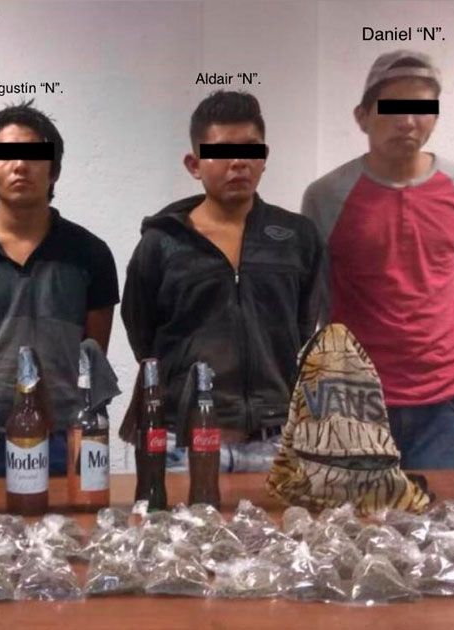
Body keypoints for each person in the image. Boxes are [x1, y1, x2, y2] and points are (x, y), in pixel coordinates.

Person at [301, 50, 454, 469]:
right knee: (350, 514)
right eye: (393, 108)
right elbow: (319, 296)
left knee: (446, 514)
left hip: (442, 401)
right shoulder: (326, 196)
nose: (408, 121)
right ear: (362, 116)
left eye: (422, 109)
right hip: (351, 398)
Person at [121, 90, 321, 473]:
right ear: (194, 164)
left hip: (276, 441)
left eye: (250, 150)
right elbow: (142, 336)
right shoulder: (162, 243)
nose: (238, 162)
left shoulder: (297, 238)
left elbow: (303, 330)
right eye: (221, 152)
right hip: (181, 440)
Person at [0, 100, 119, 476]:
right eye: (5, 155)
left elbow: (93, 352)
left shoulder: (90, 253)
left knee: (78, 518)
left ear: (54, 169)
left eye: (33, 154)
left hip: (69, 432)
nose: (20, 165)